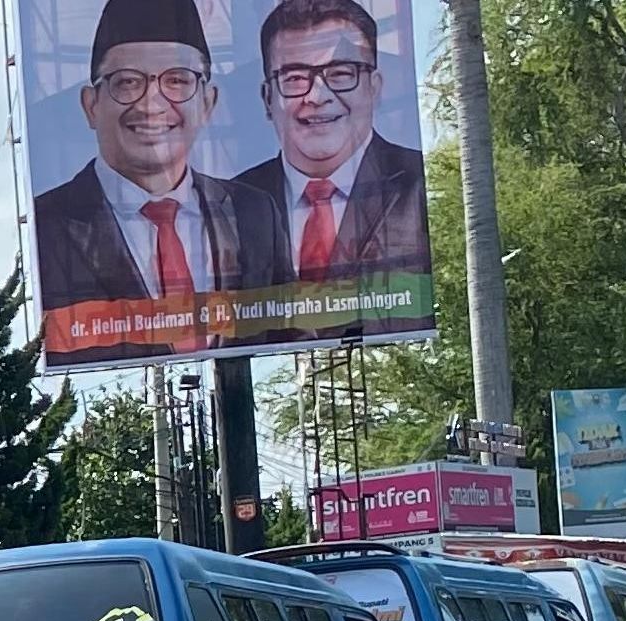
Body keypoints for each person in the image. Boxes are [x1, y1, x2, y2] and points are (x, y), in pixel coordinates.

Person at [30, 0, 284, 359]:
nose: (152, 104)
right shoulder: (45, 227)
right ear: (91, 105)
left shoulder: (255, 213)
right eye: (128, 83)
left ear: (208, 103)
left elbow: (286, 332)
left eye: (177, 81)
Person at [225, 0, 431, 284]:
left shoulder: (422, 184)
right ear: (267, 98)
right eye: (295, 78)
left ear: (374, 87)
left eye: (341, 74)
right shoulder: (227, 209)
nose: (318, 96)